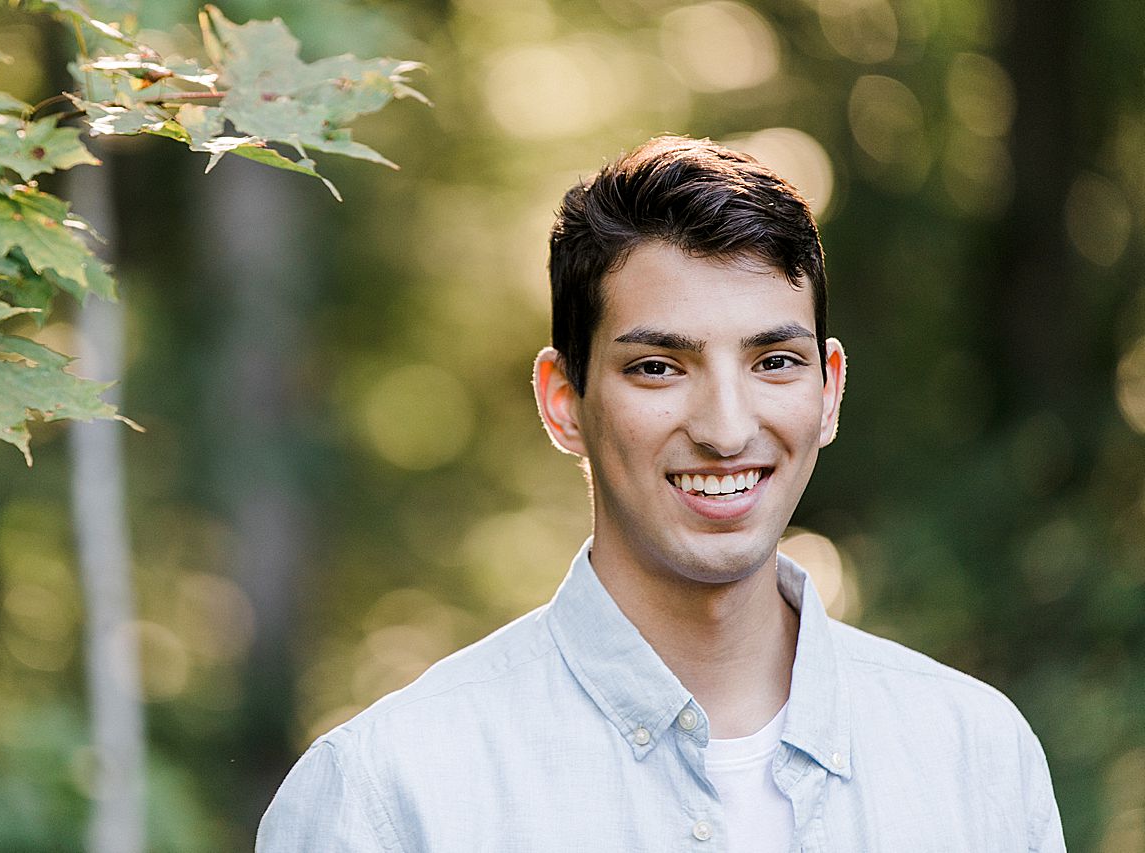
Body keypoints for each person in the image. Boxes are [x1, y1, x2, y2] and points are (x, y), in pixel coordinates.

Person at [256, 136, 1065, 851]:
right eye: (658, 366)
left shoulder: (977, 757)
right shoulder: (387, 797)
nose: (725, 427)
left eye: (774, 361)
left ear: (828, 392)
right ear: (562, 400)